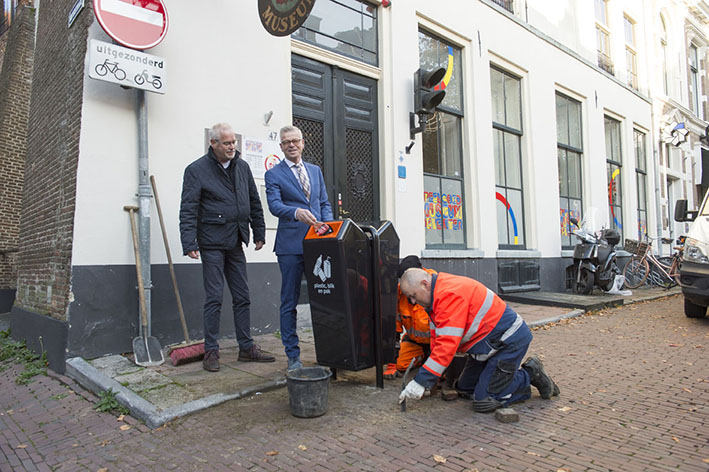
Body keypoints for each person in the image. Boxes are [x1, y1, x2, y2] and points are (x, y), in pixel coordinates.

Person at [180, 122, 275, 372]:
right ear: (213, 143)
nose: (232, 146)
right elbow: (189, 208)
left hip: (235, 240)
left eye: (234, 142)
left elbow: (254, 202)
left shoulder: (242, 167)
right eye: (227, 143)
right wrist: (189, 242)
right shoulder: (196, 170)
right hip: (211, 242)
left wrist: (259, 232)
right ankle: (211, 351)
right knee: (214, 297)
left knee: (242, 296)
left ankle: (246, 347)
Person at [398, 268, 559, 412]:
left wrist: (422, 381)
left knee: (484, 400)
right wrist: (432, 377)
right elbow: (437, 340)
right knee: (465, 388)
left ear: (425, 284)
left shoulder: (448, 295)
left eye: (413, 296)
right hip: (487, 347)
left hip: (508, 342)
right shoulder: (435, 298)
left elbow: (446, 345)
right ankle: (497, 379)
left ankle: (530, 374)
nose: (412, 302)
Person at [265, 125, 333, 371]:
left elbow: (323, 202)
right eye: (286, 142)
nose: (291, 145)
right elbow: (274, 206)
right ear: (281, 147)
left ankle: (330, 351)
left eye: (295, 141)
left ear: (303, 143)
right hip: (290, 247)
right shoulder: (274, 174)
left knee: (326, 299)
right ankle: (293, 356)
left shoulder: (315, 171)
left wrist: (327, 223)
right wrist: (295, 213)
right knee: (289, 301)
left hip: (319, 245)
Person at [384, 255, 435, 379]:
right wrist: (392, 365)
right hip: (414, 341)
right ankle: (422, 356)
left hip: (437, 344)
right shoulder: (400, 293)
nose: (412, 300)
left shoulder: (436, 288)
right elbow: (394, 329)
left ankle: (430, 358)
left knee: (439, 371)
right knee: (401, 365)